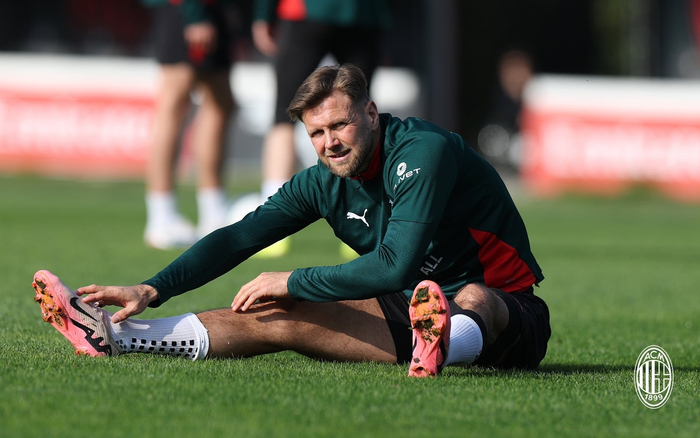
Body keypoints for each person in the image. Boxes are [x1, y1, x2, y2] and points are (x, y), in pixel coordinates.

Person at [32, 64, 550, 377]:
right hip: (412, 307)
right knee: (279, 313)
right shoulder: (321, 181)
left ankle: (445, 345)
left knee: (474, 298)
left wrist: (293, 277)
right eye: (316, 133)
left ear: (371, 114)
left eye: (340, 124)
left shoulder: (422, 151)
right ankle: (113, 335)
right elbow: (238, 238)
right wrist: (152, 287)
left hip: (510, 313)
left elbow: (393, 266)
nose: (330, 143)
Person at [246, 0, 392, 256]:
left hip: (309, 11)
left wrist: (263, 14)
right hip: (362, 13)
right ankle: (369, 219)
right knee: (362, 116)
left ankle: (271, 225)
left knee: (283, 117)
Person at [142, 0, 236, 249]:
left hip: (212, 10)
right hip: (184, 9)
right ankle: (161, 216)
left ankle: (213, 211)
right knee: (174, 101)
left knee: (221, 101)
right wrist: (194, 15)